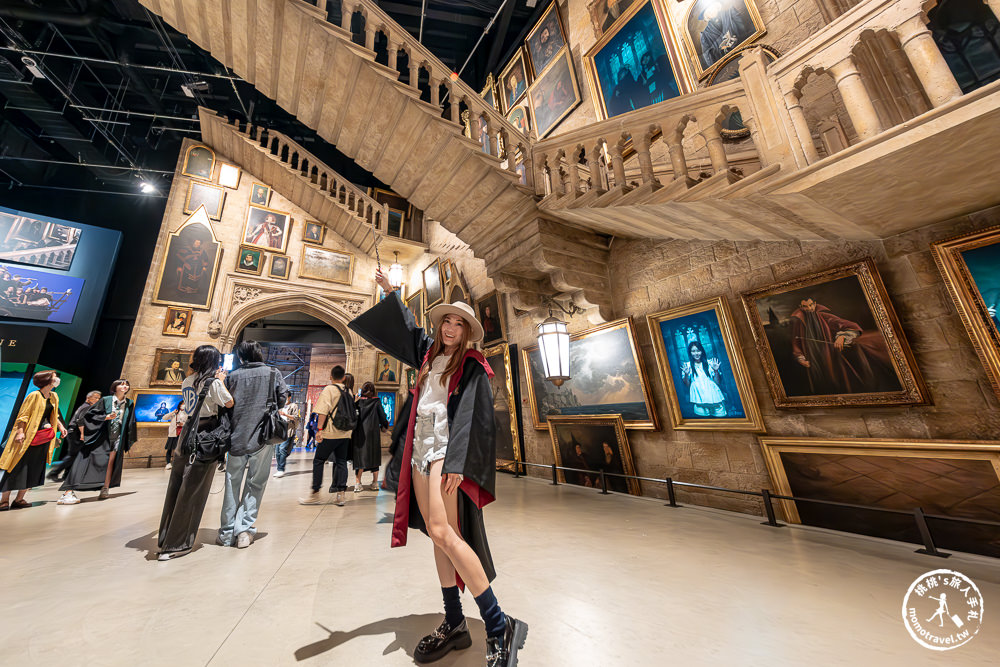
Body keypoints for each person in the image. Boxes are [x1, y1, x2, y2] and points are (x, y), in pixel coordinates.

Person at [349, 270, 527, 667]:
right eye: (446, 320)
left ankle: (499, 626)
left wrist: (459, 461)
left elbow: (471, 416)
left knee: (446, 530)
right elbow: (408, 329)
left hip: (445, 449)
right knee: (435, 533)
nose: (450, 327)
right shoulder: (429, 354)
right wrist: (392, 292)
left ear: (467, 331)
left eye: (458, 323)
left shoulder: (474, 365)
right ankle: (454, 622)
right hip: (419, 446)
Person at [157, 345, 234, 560]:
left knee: (176, 487)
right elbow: (229, 402)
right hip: (205, 435)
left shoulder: (187, 381)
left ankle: (165, 537)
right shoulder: (213, 382)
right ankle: (176, 544)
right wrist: (221, 380)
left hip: (188, 432)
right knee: (193, 490)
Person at [219, 341, 288, 549]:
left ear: (241, 357)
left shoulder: (232, 377)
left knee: (232, 484)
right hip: (262, 436)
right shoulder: (273, 373)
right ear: (259, 354)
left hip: (236, 437)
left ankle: (226, 533)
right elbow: (283, 399)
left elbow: (224, 403)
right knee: (255, 484)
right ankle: (244, 531)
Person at [789, 297, 895, 395]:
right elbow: (796, 344)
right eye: (805, 306)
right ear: (800, 307)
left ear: (815, 304)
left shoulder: (825, 317)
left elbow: (852, 326)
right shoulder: (798, 324)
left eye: (811, 305)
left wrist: (843, 336)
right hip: (814, 361)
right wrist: (800, 358)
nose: (809, 308)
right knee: (822, 386)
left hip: (831, 358)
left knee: (837, 382)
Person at [58, 379, 137, 505]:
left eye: (127, 384)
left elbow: (130, 422)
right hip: (100, 437)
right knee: (84, 462)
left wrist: (127, 439)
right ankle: (68, 492)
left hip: (117, 437)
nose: (125, 386)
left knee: (111, 461)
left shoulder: (129, 403)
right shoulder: (105, 400)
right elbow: (89, 416)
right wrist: (105, 417)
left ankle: (105, 488)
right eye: (122, 384)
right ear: (115, 387)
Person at [0, 371, 67, 510]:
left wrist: (61, 427)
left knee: (33, 469)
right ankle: (4, 500)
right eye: (54, 377)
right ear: (47, 379)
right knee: (16, 467)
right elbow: (22, 416)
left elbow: (54, 414)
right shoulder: (34, 395)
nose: (57, 379)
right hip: (26, 438)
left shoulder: (54, 396)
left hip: (42, 439)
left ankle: (19, 499)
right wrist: (20, 432)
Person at [300, 368, 354, 506]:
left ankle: (315, 493)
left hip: (330, 432)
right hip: (345, 433)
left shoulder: (329, 389)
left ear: (331, 376)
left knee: (318, 460)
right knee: (341, 462)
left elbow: (323, 412)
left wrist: (319, 430)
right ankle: (341, 495)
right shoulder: (349, 391)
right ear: (343, 378)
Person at [46, 390, 101, 483]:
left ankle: (66, 475)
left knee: (75, 455)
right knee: (72, 455)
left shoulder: (86, 407)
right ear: (88, 398)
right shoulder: (86, 407)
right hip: (76, 433)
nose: (97, 399)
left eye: (98, 398)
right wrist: (83, 434)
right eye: (95, 397)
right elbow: (80, 421)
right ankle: (54, 473)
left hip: (75, 432)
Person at [352, 382, 387, 492]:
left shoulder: (358, 402)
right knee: (374, 456)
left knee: (360, 457)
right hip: (373, 433)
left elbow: (353, 415)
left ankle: (358, 483)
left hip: (359, 432)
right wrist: (384, 425)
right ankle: (375, 482)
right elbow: (382, 415)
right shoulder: (376, 401)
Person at [681, 340, 727, 417]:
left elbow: (717, 382)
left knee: (722, 421)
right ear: (690, 353)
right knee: (705, 424)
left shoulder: (710, 363)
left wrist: (716, 371)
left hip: (715, 398)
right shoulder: (687, 366)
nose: (696, 353)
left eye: (698, 350)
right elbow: (687, 385)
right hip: (699, 401)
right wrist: (686, 374)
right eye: (693, 351)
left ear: (702, 351)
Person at [273, 401, 299, 478]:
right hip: (279, 431)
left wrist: (285, 414)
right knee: (277, 451)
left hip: (288, 431)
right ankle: (279, 469)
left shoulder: (293, 406)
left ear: (290, 397)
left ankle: (281, 469)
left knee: (282, 449)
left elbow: (296, 417)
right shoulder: (279, 405)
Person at [164, 406, 184, 470]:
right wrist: (173, 412)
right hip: (173, 433)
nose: (183, 406)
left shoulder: (186, 413)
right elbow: (164, 417)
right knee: (169, 449)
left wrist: (182, 424)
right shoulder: (175, 413)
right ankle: (168, 463)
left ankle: (178, 463)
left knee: (180, 449)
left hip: (181, 433)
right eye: (182, 404)